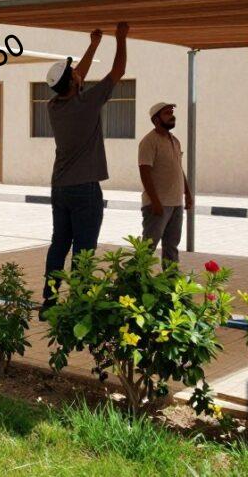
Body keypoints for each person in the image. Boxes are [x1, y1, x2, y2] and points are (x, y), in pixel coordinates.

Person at [40, 22, 129, 318]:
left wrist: (93, 45)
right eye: (75, 73)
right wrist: (120, 39)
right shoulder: (87, 102)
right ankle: (79, 304)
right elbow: (117, 72)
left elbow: (77, 78)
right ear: (74, 83)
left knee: (59, 245)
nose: (79, 73)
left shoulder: (54, 106)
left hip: (60, 187)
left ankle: (49, 303)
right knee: (84, 251)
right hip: (85, 189)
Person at [137, 102, 193, 263]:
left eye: (171, 112)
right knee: (148, 248)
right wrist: (155, 202)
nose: (172, 115)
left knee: (171, 247)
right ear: (156, 120)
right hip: (158, 205)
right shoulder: (149, 141)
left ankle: (170, 282)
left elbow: (178, 169)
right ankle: (134, 282)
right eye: (167, 113)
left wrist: (187, 194)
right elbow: (144, 172)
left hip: (176, 204)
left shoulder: (174, 140)